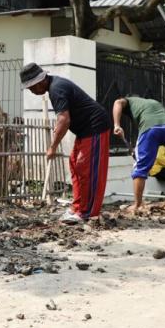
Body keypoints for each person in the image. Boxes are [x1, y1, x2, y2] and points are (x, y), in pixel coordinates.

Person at [20, 63, 111, 224]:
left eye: (31, 87)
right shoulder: (55, 87)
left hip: (95, 127)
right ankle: (77, 207)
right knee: (75, 164)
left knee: (87, 169)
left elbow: (64, 119)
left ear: (40, 81)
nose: (31, 91)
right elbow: (63, 118)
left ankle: (87, 212)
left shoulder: (57, 88)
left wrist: (53, 146)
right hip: (84, 130)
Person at [111, 96, 165, 212]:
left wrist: (116, 125)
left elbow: (117, 102)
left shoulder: (128, 101)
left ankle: (137, 205)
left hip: (150, 128)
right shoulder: (153, 102)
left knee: (141, 167)